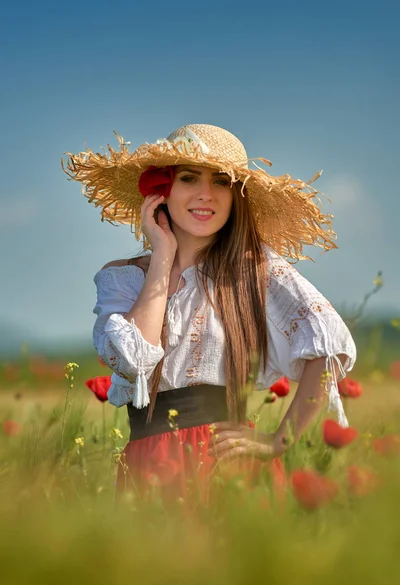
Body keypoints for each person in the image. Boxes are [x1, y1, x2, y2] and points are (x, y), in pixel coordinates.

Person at [63, 124, 356, 503]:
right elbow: (131, 361)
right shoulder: (123, 276)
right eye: (188, 178)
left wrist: (279, 441)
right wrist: (162, 257)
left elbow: (328, 343)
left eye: (220, 181)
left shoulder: (255, 268)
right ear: (161, 190)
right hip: (145, 459)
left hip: (225, 460)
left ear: (236, 197)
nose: (205, 194)